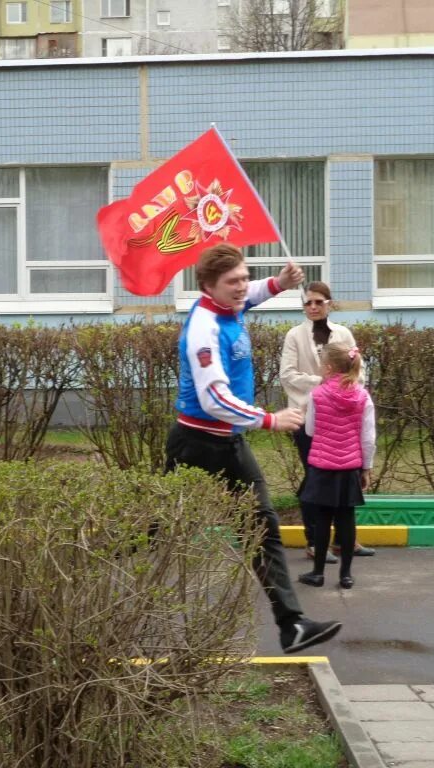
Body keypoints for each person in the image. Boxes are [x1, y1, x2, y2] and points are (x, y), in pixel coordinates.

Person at [165, 243, 342, 655]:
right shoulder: (204, 329)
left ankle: (292, 625)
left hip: (225, 441)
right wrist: (269, 419)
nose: (243, 287)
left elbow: (253, 293)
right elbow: (214, 399)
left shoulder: (229, 306)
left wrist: (279, 283)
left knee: (261, 528)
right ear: (208, 287)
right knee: (160, 529)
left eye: (245, 278)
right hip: (201, 443)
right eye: (233, 282)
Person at [280, 281, 375, 562]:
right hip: (307, 417)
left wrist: (343, 389)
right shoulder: (295, 336)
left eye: (318, 302)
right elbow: (287, 375)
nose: (312, 307)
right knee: (315, 478)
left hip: (342, 418)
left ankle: (345, 541)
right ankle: (313, 541)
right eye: (307, 303)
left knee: (347, 476)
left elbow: (358, 371)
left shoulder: (343, 334)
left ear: (329, 304)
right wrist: (322, 383)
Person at [296, 343, 375, 590]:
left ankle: (318, 573)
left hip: (322, 467)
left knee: (322, 520)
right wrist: (366, 467)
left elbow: (309, 429)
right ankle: (346, 575)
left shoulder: (316, 395)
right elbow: (368, 437)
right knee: (347, 520)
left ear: (328, 368)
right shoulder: (362, 396)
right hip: (349, 467)